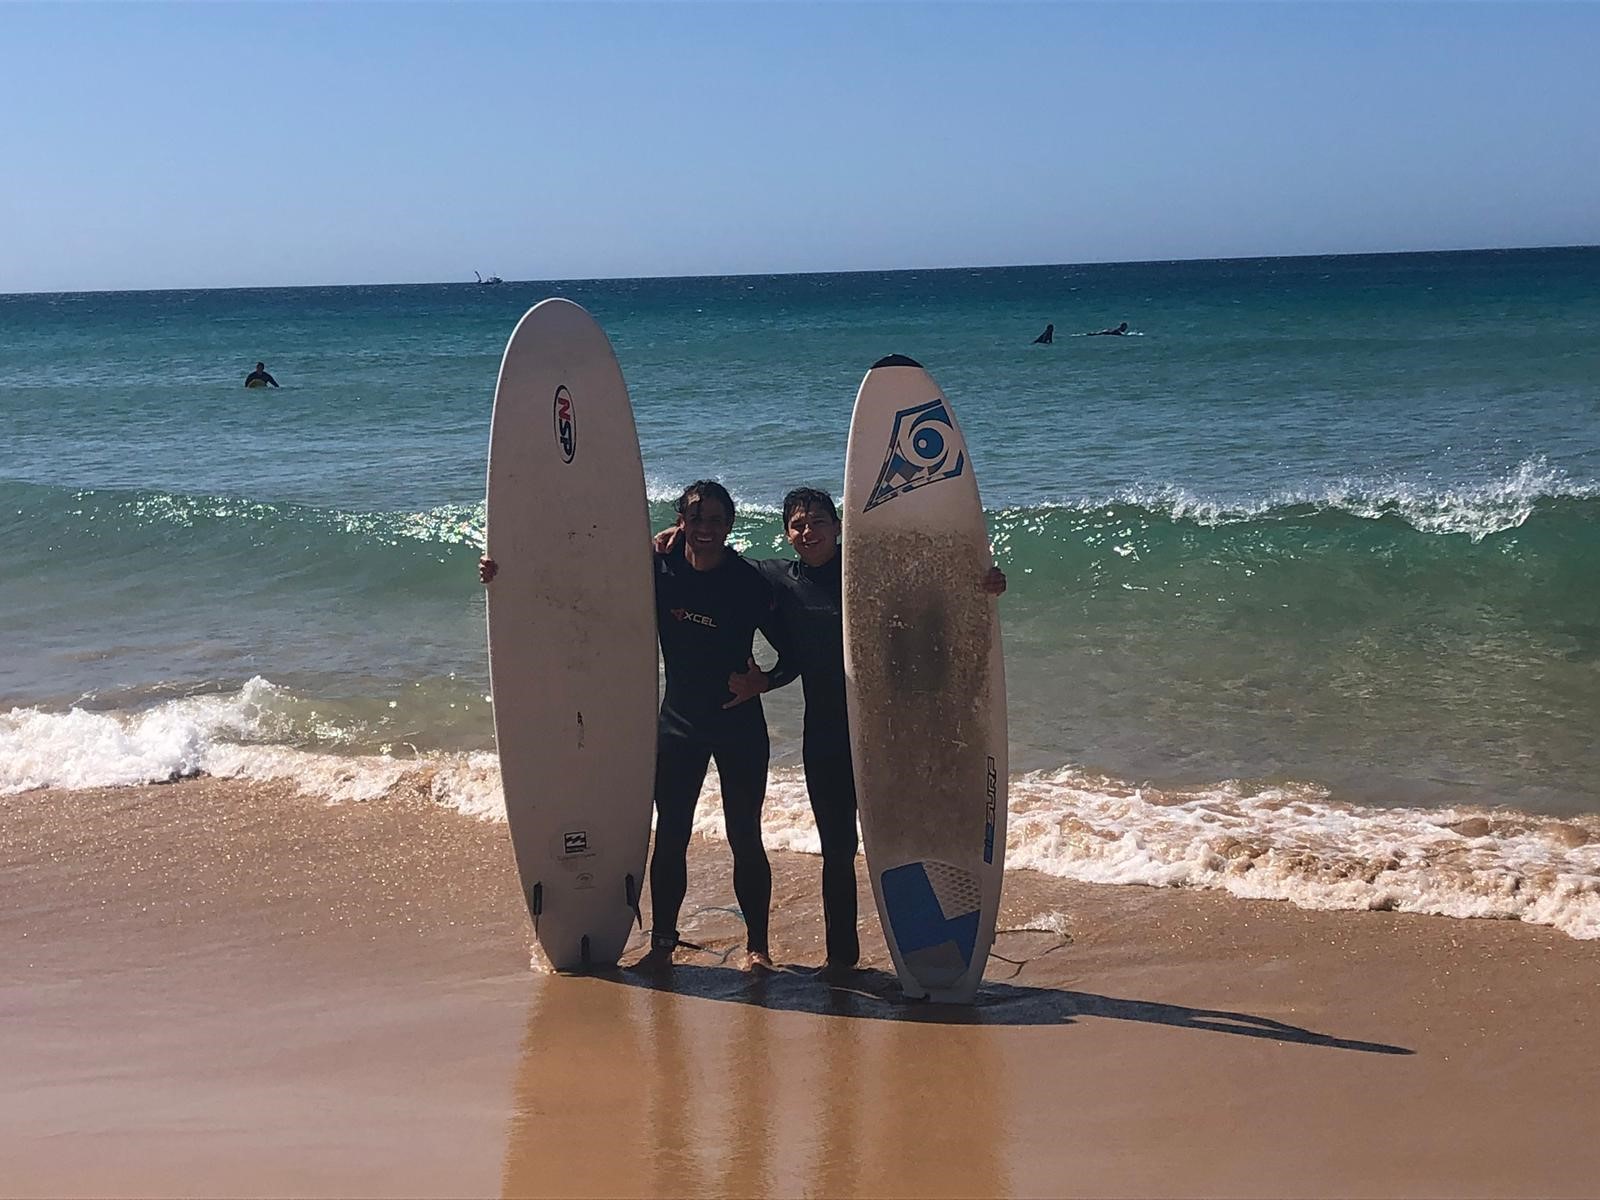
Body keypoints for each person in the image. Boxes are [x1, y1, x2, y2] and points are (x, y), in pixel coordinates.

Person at [661, 487, 1006, 974]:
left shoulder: (867, 572)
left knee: (908, 841)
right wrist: (678, 535)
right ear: (786, 533)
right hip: (824, 732)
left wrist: (981, 583)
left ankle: (940, 942)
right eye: (798, 525)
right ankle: (841, 961)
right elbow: (725, 565)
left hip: (886, 730)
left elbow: (929, 585)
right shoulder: (777, 579)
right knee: (837, 851)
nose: (808, 532)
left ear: (839, 526)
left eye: (818, 522)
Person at [481, 481, 786, 972]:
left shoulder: (749, 582)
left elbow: (795, 650)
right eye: (696, 518)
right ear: (680, 521)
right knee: (671, 833)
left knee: (745, 835)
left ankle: (758, 949)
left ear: (730, 525)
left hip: (739, 726)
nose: (706, 529)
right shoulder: (657, 569)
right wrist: (505, 572)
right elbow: (578, 581)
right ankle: (662, 943)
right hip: (680, 724)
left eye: (716, 520)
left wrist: (765, 681)